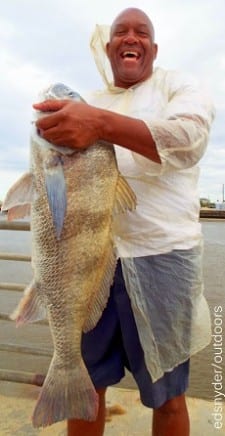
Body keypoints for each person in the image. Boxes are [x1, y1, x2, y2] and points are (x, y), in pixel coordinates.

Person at [33, 7, 215, 436]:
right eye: (120, 32)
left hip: (164, 262)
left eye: (141, 32)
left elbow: (188, 139)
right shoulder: (90, 101)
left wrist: (98, 124)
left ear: (153, 47)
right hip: (91, 264)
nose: (130, 37)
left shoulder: (178, 86)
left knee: (168, 397)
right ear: (108, 45)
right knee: (86, 388)